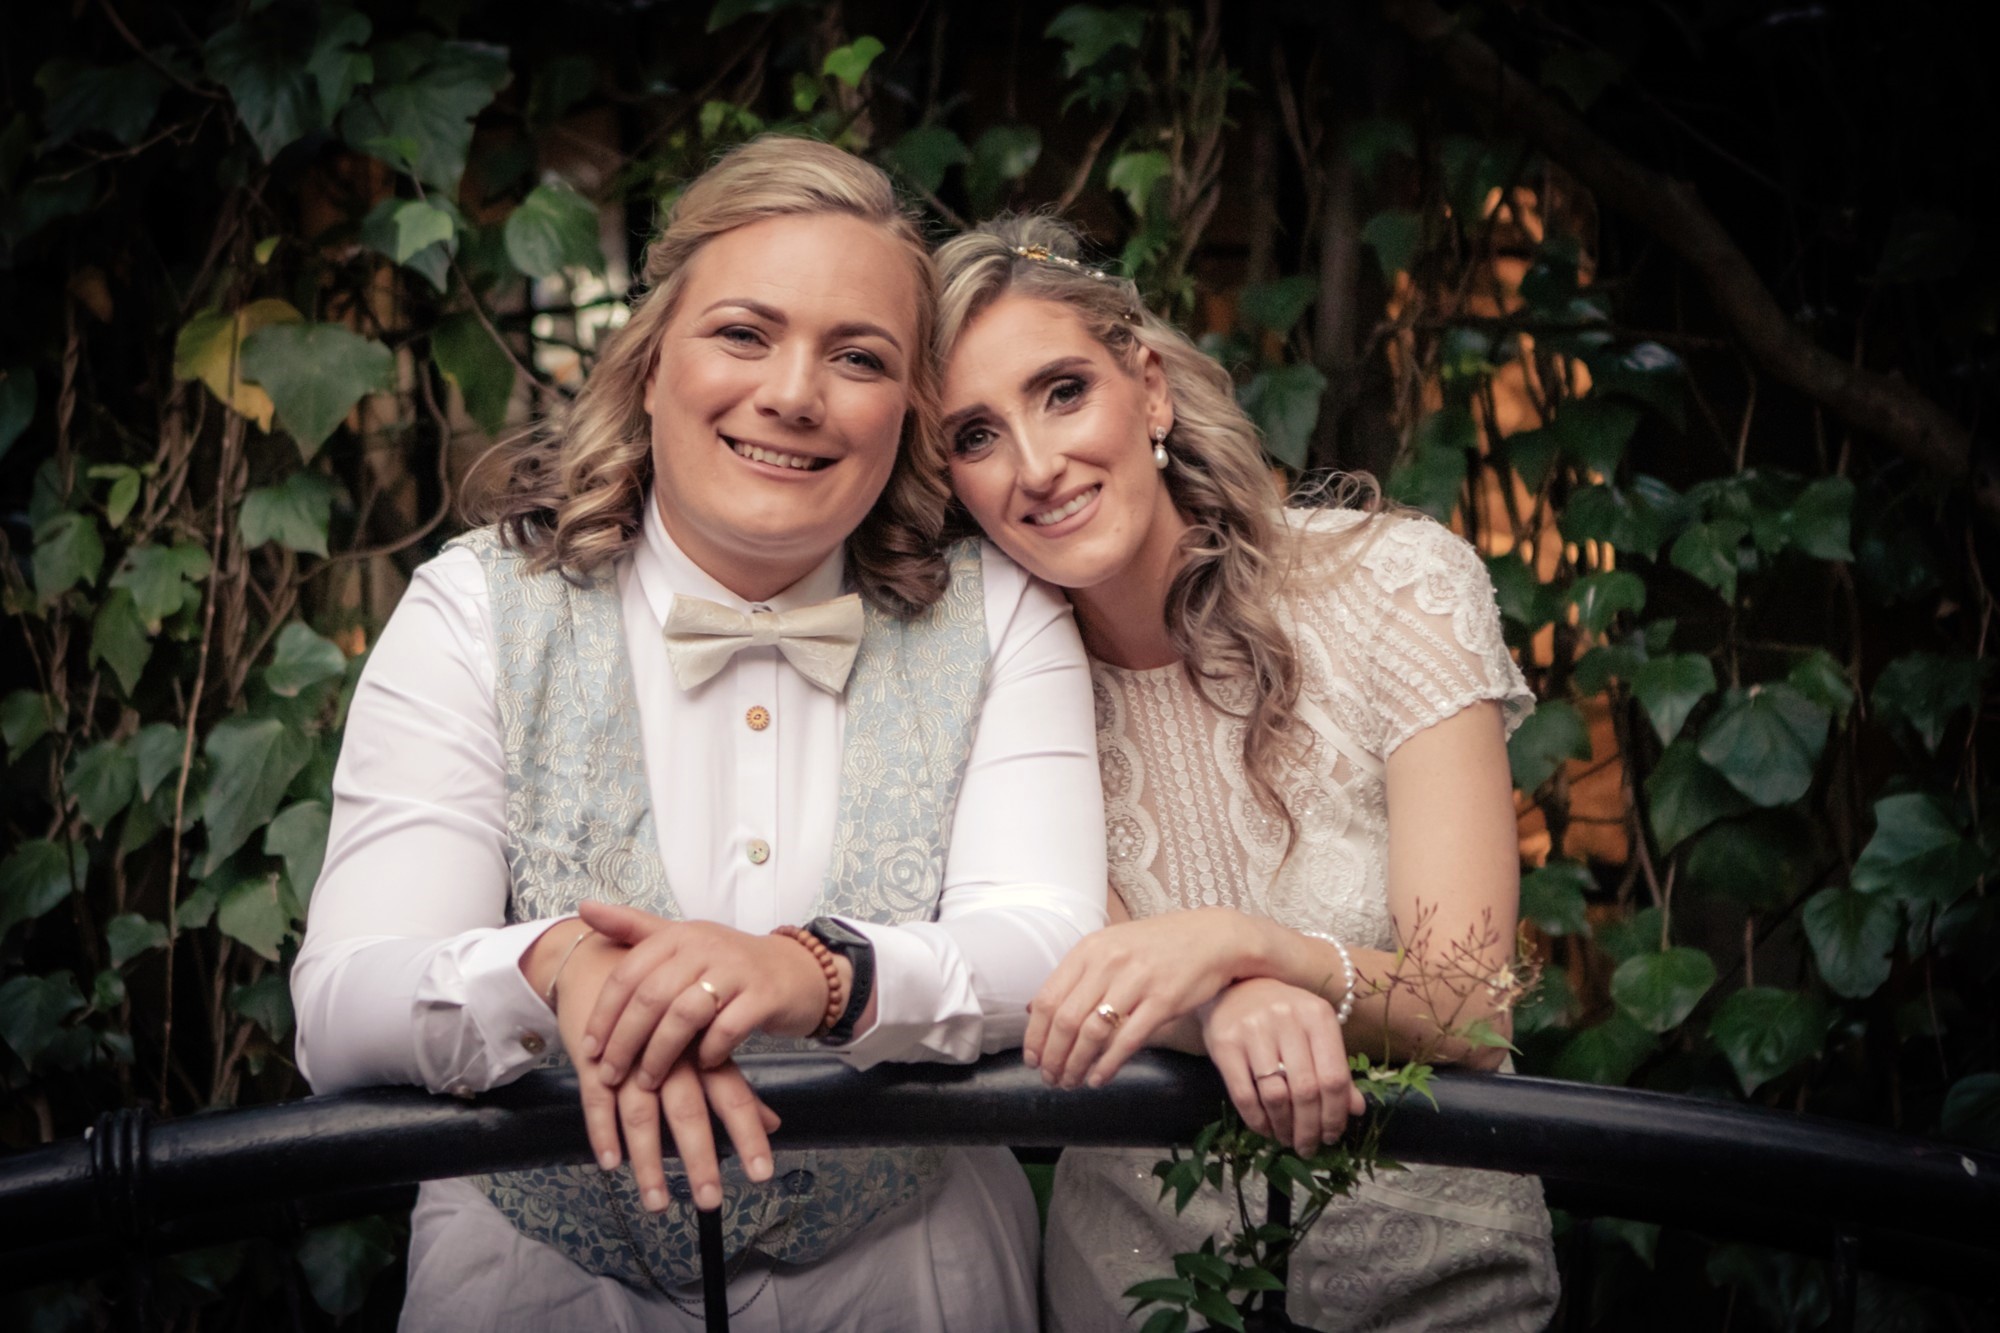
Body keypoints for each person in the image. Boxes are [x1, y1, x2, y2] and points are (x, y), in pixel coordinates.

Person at [292, 139, 1107, 1332]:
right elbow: (339, 1006)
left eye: (859, 357)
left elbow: (1049, 939)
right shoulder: (475, 609)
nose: (793, 393)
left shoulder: (998, 616)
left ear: (910, 412)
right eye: (742, 333)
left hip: (913, 1277)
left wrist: (817, 972)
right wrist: (553, 966)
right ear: (649, 361)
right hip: (539, 1288)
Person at [934, 216, 1559, 1332]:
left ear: (1150, 389)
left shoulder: (1394, 586)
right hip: (1137, 1289)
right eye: (976, 435)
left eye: (1063, 392)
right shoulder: (986, 685)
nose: (1035, 465)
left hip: (1437, 1287)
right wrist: (1232, 1000)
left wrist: (1249, 947)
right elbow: (1087, 977)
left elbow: (1468, 1005)